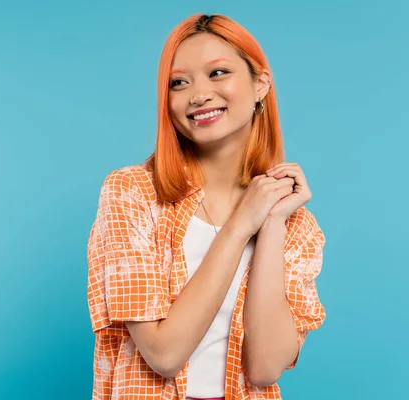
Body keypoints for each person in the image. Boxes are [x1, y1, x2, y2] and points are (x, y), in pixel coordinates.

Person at [86, 13, 326, 400]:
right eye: (179, 82)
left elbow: (265, 369)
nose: (198, 94)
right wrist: (238, 226)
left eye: (217, 73)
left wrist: (272, 222)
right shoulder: (131, 193)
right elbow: (163, 354)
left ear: (261, 84)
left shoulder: (296, 224)